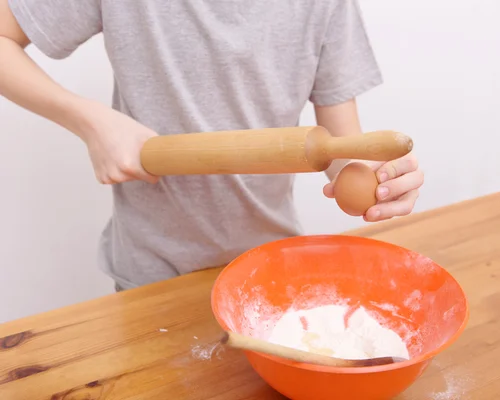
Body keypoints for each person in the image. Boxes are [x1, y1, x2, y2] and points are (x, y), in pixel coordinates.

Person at [0, 0, 424, 291]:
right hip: (150, 278)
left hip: (268, 271)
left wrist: (375, 182)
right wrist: (90, 121)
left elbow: (340, 152)